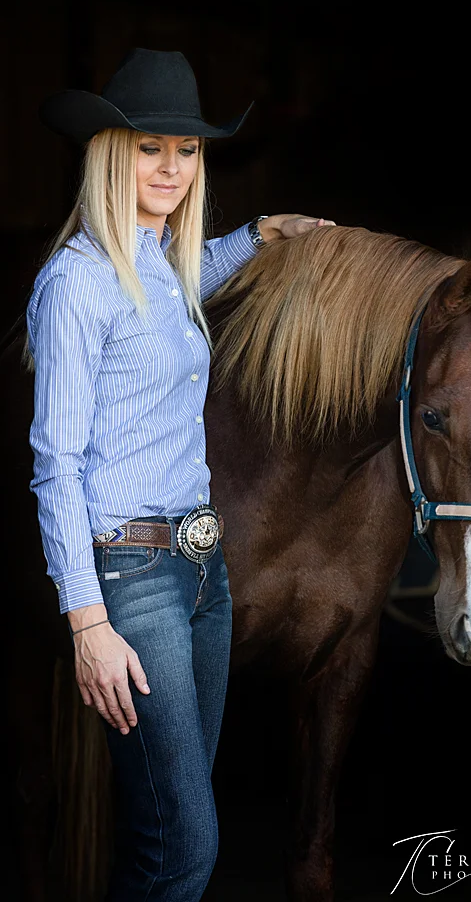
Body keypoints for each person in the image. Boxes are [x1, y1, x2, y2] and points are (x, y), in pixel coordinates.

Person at [24, 47, 335, 901]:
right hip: (133, 580)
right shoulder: (77, 283)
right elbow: (55, 466)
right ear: (109, 154)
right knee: (187, 850)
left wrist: (264, 233)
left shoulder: (161, 265)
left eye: (187, 150)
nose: (170, 167)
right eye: (149, 147)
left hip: (204, 573)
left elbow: (191, 274)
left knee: (160, 835)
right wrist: (88, 623)